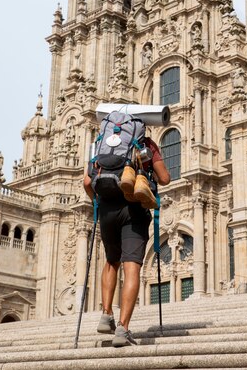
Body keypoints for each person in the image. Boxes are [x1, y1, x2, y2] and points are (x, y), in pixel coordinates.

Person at [83, 135, 170, 347]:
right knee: (131, 268)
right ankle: (122, 327)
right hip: (134, 211)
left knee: (111, 261)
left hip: (106, 211)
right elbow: (165, 178)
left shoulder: (101, 143)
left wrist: (98, 202)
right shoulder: (147, 144)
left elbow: (87, 181)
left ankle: (106, 313)